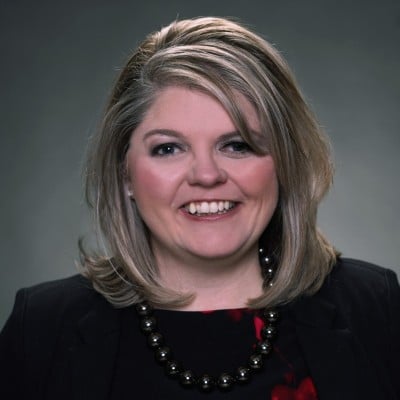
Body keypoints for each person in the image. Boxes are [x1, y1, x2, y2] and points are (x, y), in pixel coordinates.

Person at [0, 16, 399, 400]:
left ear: (284, 164)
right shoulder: (42, 329)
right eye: (168, 148)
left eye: (237, 145)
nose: (207, 175)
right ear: (125, 174)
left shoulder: (375, 310)